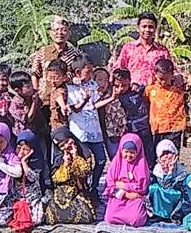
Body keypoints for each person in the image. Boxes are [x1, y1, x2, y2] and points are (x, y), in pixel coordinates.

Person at [67, 55, 108, 199]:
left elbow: (95, 104)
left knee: (101, 160)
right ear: (78, 72)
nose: (91, 75)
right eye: (88, 71)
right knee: (85, 162)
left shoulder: (92, 85)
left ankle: (94, 186)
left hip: (94, 130)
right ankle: (83, 189)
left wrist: (112, 98)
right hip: (80, 132)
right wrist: (85, 99)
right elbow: (76, 109)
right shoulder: (70, 87)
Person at [44, 127, 97, 225]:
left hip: (78, 190)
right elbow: (57, 179)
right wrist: (65, 164)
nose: (66, 146)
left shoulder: (85, 153)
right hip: (61, 193)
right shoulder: (58, 158)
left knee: (88, 216)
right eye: (62, 145)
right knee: (51, 217)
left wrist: (76, 156)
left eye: (67, 141)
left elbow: (85, 172)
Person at [30, 16, 82, 105]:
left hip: (68, 100)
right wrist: (35, 93)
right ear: (50, 33)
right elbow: (35, 73)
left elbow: (80, 74)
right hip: (44, 99)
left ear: (69, 33)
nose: (59, 33)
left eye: (63, 30)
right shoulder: (42, 51)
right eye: (56, 30)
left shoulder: (75, 53)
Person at [114, 12, 177, 86]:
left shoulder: (162, 50)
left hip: (155, 93)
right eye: (144, 26)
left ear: (155, 29)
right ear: (138, 28)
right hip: (133, 92)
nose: (147, 29)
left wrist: (178, 77)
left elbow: (172, 70)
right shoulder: (128, 48)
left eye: (150, 27)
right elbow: (118, 69)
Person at [103, 134, 150, 227]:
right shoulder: (116, 163)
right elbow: (110, 184)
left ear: (138, 151)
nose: (129, 155)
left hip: (135, 197)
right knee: (110, 217)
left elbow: (142, 187)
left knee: (137, 220)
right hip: (119, 196)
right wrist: (126, 194)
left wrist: (124, 185)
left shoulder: (141, 165)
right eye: (126, 152)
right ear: (121, 150)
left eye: (132, 152)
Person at [112, 68, 154, 166]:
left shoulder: (137, 91)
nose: (121, 88)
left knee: (148, 155)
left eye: (124, 85)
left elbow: (148, 84)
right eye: (117, 85)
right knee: (130, 155)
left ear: (130, 82)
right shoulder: (113, 96)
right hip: (127, 131)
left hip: (143, 129)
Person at [145, 58, 186, 150]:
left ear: (172, 75)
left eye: (166, 79)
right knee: (158, 155)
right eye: (161, 79)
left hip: (175, 128)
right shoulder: (150, 89)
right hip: (157, 129)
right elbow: (146, 104)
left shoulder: (180, 88)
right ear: (155, 74)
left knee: (172, 155)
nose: (163, 82)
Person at [148, 140, 191, 223]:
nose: (167, 156)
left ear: (175, 154)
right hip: (162, 193)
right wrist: (166, 172)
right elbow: (165, 186)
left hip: (174, 193)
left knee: (176, 193)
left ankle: (173, 215)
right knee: (154, 188)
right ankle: (158, 214)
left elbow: (174, 187)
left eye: (169, 153)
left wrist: (171, 170)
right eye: (163, 154)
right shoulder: (158, 168)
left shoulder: (180, 169)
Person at [46, 59, 70, 131]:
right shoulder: (55, 87)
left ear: (64, 77)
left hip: (60, 126)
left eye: (56, 78)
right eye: (50, 77)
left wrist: (63, 107)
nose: (52, 81)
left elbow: (59, 96)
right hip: (54, 124)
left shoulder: (60, 89)